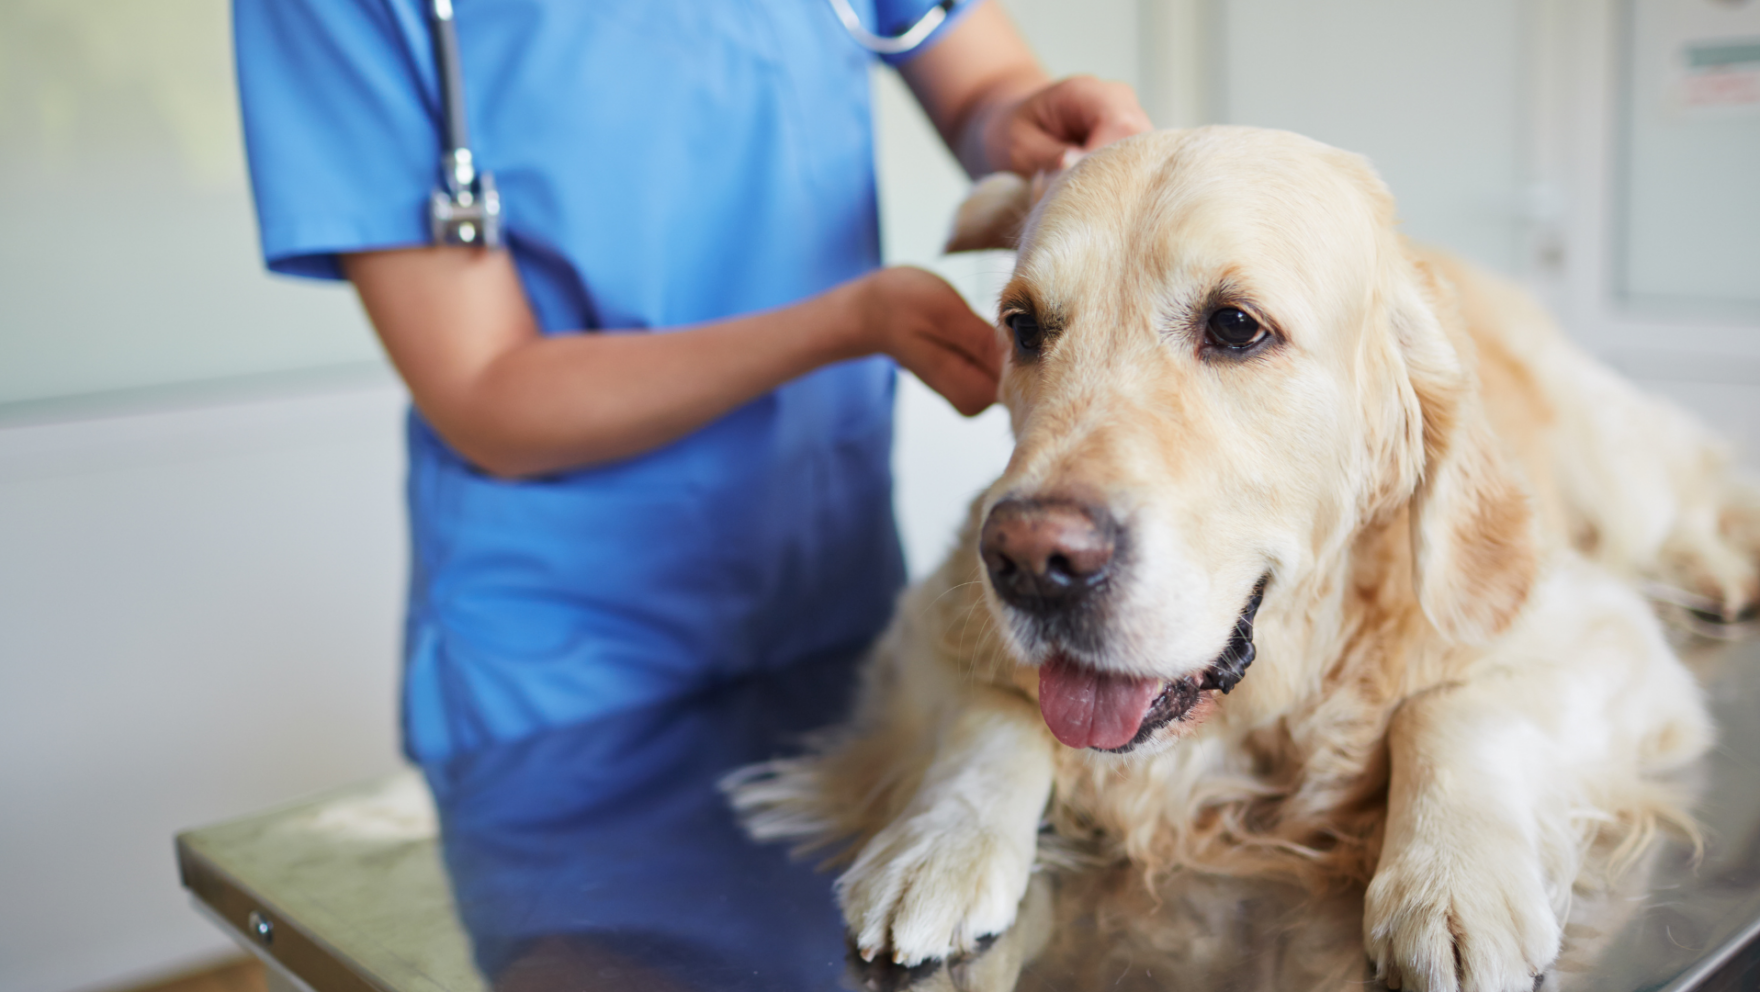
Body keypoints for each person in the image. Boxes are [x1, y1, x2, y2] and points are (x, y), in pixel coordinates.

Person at [233, 0, 1151, 764]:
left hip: (833, 584)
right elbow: (484, 389)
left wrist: (1017, 117)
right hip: (565, 649)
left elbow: (982, 87)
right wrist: (850, 321)